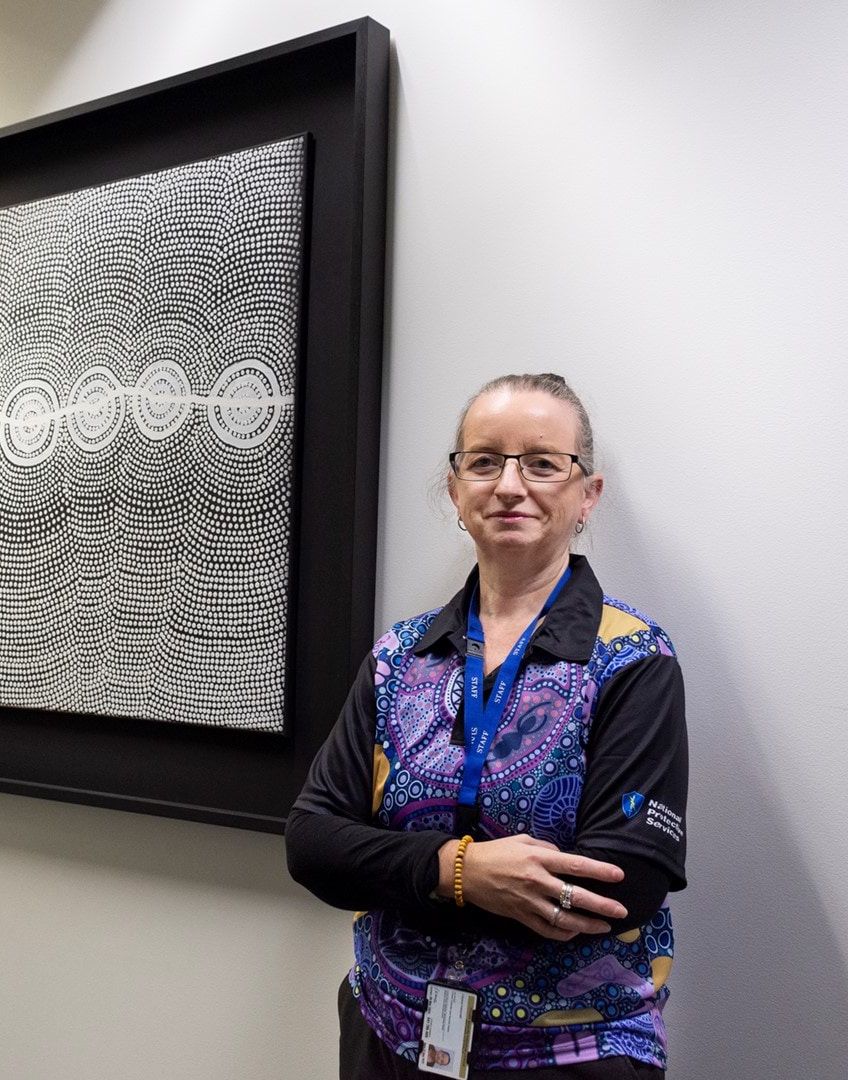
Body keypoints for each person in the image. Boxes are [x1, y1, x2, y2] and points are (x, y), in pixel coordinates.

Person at [286, 374, 688, 1078]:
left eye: (541, 462)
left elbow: (625, 883)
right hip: (390, 1034)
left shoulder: (633, 660)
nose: (509, 485)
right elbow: (313, 842)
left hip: (568, 1053)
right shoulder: (398, 656)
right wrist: (459, 870)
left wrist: (391, 867)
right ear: (455, 489)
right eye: (484, 461)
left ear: (586, 494)